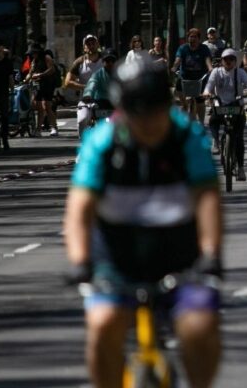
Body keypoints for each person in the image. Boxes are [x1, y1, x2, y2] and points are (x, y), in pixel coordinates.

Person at [63, 61, 222, 388]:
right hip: (116, 259)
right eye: (138, 112)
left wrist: (211, 254)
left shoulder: (186, 138)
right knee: (104, 324)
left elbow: (207, 199)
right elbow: (79, 209)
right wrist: (80, 262)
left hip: (180, 256)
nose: (148, 122)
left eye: (156, 111)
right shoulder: (101, 144)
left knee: (199, 326)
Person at [203, 49, 247, 182]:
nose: (228, 62)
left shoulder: (240, 72)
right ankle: (216, 142)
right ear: (222, 61)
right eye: (225, 59)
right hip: (221, 104)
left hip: (236, 105)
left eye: (231, 59)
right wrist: (207, 93)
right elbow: (209, 85)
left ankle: (240, 168)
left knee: (239, 138)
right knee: (213, 120)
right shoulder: (216, 72)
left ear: (235, 61)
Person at [68, 35, 107, 135]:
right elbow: (67, 82)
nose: (91, 46)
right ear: (84, 47)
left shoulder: (106, 60)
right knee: (82, 121)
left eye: (93, 43)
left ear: (97, 44)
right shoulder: (79, 62)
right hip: (85, 99)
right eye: (88, 44)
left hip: (103, 99)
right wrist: (85, 87)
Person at [173, 29, 213, 123]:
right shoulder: (183, 48)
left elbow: (207, 60)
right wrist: (174, 67)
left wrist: (210, 68)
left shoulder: (204, 48)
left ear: (199, 39)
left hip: (199, 78)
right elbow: (178, 60)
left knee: (200, 102)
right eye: (191, 37)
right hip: (185, 78)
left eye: (195, 37)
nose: (193, 39)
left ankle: (202, 123)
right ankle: (182, 121)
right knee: (182, 97)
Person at [25, 39, 60, 136]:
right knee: (38, 106)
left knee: (47, 106)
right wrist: (25, 80)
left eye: (34, 53)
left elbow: (51, 69)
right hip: (39, 85)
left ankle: (54, 127)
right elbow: (30, 73)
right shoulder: (34, 61)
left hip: (48, 84)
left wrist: (41, 74)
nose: (32, 55)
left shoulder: (46, 57)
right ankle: (38, 129)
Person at [81, 54, 119, 125]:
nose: (110, 63)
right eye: (107, 61)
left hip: (117, 103)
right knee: (83, 120)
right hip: (100, 103)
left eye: (112, 61)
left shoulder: (121, 73)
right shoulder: (98, 74)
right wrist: (88, 95)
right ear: (103, 62)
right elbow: (92, 84)